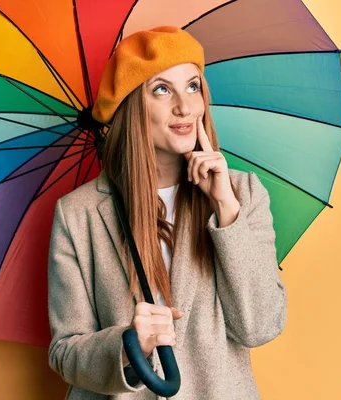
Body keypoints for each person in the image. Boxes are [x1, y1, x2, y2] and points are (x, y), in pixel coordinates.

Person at [47, 26, 287, 399]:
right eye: (162, 89)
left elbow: (260, 326)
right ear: (130, 106)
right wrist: (128, 345)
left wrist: (225, 209)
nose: (185, 107)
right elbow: (65, 352)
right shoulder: (78, 214)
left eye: (193, 87)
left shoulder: (242, 193)